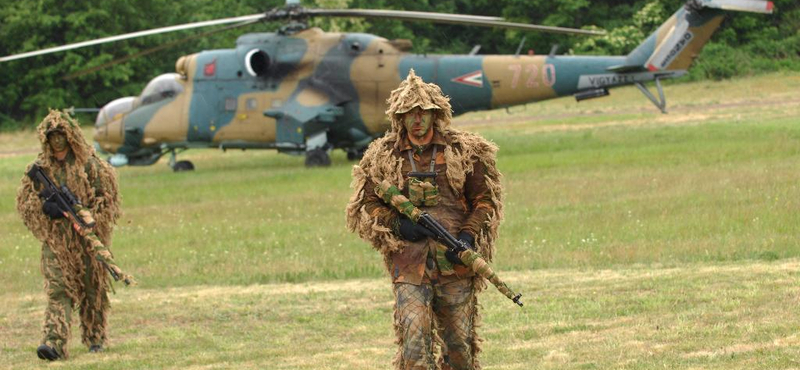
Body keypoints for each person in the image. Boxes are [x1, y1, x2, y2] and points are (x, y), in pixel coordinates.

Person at [347, 70, 504, 370]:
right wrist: (398, 225)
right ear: (399, 118)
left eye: (424, 113)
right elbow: (368, 202)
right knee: (414, 349)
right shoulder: (382, 155)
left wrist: (469, 236)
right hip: (409, 265)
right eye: (409, 114)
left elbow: (485, 201)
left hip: (456, 263)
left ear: (436, 115)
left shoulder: (464, 151)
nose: (417, 119)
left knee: (460, 350)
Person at [16, 109, 129, 360]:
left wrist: (89, 217)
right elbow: (25, 202)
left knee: (92, 290)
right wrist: (46, 209)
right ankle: (53, 343)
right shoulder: (40, 168)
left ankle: (95, 337)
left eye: (61, 134)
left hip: (86, 240)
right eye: (51, 135)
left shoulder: (89, 164)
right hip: (56, 241)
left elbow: (106, 199)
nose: (56, 140)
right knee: (58, 290)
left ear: (70, 135)